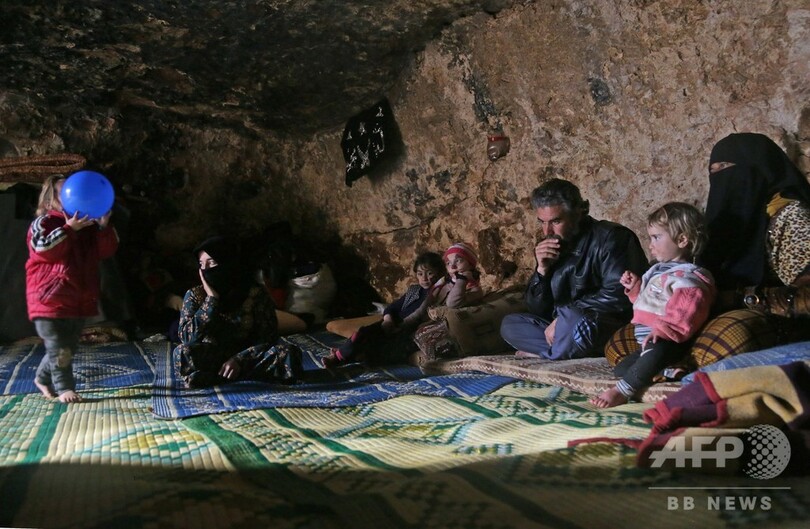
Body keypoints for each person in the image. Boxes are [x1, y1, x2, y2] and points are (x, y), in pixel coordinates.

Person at [500, 178, 647, 359]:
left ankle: (549, 354)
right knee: (510, 324)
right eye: (542, 222)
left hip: (603, 324)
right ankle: (561, 349)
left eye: (555, 221)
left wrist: (565, 316)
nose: (547, 231)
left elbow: (618, 296)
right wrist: (542, 271)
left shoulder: (612, 237)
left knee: (573, 320)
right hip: (564, 328)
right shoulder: (553, 245)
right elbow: (537, 310)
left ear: (578, 213)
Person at [590, 202, 716, 408]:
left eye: (656, 237)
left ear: (682, 240)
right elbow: (650, 303)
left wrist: (664, 330)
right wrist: (635, 289)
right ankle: (669, 371)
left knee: (648, 359)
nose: (650, 245)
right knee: (621, 369)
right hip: (645, 341)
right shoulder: (658, 271)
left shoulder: (687, 277)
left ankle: (622, 391)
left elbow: (685, 310)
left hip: (667, 340)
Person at [26, 174, 119, 403]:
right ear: (50, 199)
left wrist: (103, 227)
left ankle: (42, 378)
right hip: (49, 298)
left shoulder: (88, 226)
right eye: (64, 192)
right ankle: (65, 387)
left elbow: (106, 251)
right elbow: (42, 250)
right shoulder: (45, 222)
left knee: (67, 346)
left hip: (78, 299)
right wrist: (68, 229)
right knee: (59, 347)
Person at [700, 132, 810, 318]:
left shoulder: (791, 217)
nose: (719, 177)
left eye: (725, 166)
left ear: (759, 168)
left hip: (784, 325)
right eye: (714, 171)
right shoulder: (731, 221)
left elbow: (806, 299)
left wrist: (746, 299)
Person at [172, 235, 303, 388]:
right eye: (202, 264)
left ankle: (216, 378)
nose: (205, 270)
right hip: (212, 356)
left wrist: (240, 360)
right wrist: (212, 300)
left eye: (211, 263)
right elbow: (187, 338)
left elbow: (268, 338)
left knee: (288, 352)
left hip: (249, 357)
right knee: (182, 353)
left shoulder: (255, 294)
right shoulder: (195, 295)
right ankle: (238, 376)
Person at [323, 251, 445, 368]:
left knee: (378, 352)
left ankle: (348, 353)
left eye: (429, 273)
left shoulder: (438, 293)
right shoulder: (415, 290)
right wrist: (388, 320)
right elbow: (392, 307)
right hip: (390, 324)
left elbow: (421, 317)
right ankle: (337, 357)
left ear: (439, 273)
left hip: (407, 331)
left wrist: (399, 328)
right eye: (420, 274)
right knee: (363, 333)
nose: (424, 278)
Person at [430, 242, 485, 308]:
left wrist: (462, 278)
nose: (452, 266)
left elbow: (452, 303)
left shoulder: (474, 290)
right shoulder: (444, 281)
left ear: (470, 265)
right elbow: (430, 298)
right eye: (448, 263)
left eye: (458, 261)